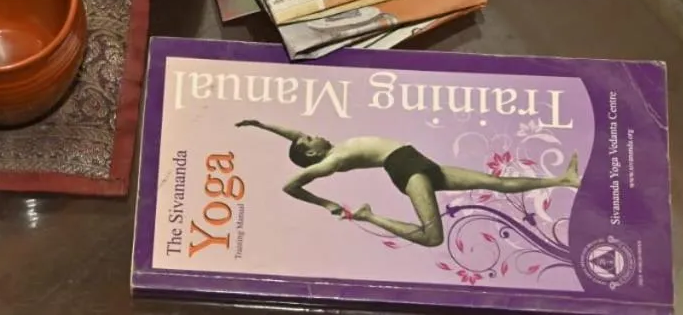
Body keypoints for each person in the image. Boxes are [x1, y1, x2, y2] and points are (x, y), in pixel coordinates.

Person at [236, 119, 581, 248]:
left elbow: (293, 134)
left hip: (416, 159)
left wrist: (260, 125)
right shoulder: (330, 161)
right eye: (308, 140)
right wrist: (325, 203)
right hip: (403, 167)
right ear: (310, 154)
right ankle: (370, 216)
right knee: (433, 238)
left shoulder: (329, 148)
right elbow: (290, 186)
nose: (310, 134)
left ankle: (563, 178)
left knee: (495, 182)